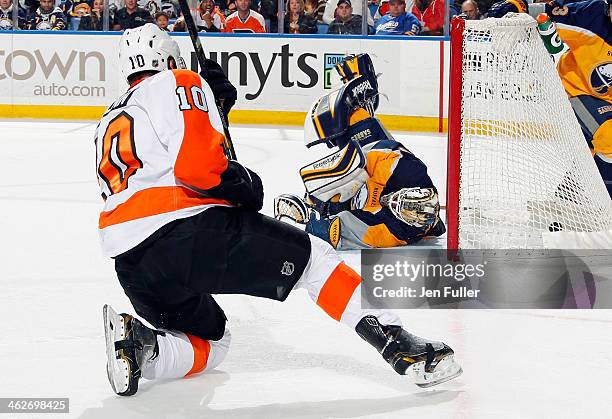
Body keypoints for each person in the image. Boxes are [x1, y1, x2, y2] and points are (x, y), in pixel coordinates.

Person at [98, 24, 461, 396]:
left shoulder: (110, 117)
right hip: (184, 233)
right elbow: (196, 170)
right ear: (171, 58)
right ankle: (398, 343)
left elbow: (158, 174)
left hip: (132, 263)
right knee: (316, 258)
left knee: (212, 341)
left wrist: (215, 109)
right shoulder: (179, 80)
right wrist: (240, 183)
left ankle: (144, 346)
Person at [275, 54, 446, 249]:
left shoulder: (393, 231)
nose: (409, 211)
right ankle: (355, 104)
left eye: (412, 213)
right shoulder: (409, 172)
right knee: (365, 149)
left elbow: (342, 229)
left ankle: (311, 207)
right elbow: (380, 149)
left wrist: (310, 222)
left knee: (354, 167)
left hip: (354, 198)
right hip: (369, 176)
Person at [542, 0, 612, 196]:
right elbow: (544, 13)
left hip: (605, 100)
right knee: (608, 136)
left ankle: (568, 197)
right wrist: (516, 6)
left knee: (593, 151)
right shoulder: (590, 16)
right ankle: (605, 201)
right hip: (573, 91)